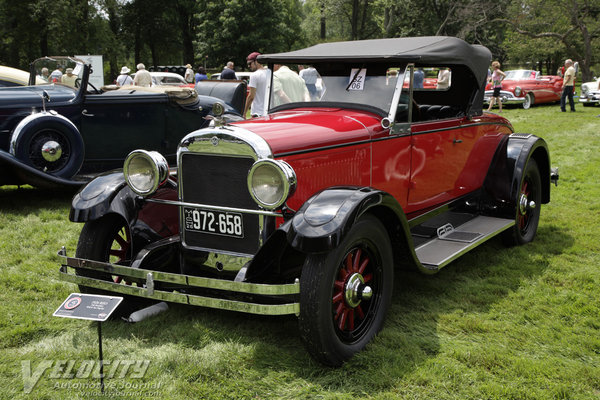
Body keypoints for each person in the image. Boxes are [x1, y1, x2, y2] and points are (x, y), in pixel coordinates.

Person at [243, 52, 271, 118]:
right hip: (269, 112)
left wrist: (244, 112)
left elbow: (251, 96)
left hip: (257, 113)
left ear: (257, 61)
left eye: (250, 63)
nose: (249, 66)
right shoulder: (270, 73)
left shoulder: (254, 75)